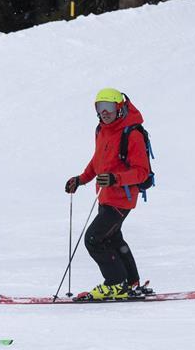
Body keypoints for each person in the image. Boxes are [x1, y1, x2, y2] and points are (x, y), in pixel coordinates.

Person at [65, 88, 154, 300]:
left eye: (109, 107)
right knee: (113, 238)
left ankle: (116, 283)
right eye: (99, 107)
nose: (104, 112)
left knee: (94, 239)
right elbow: (99, 161)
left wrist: (115, 179)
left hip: (122, 198)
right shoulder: (102, 130)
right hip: (106, 196)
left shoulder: (132, 134)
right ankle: (131, 282)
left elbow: (141, 172)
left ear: (120, 107)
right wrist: (81, 179)